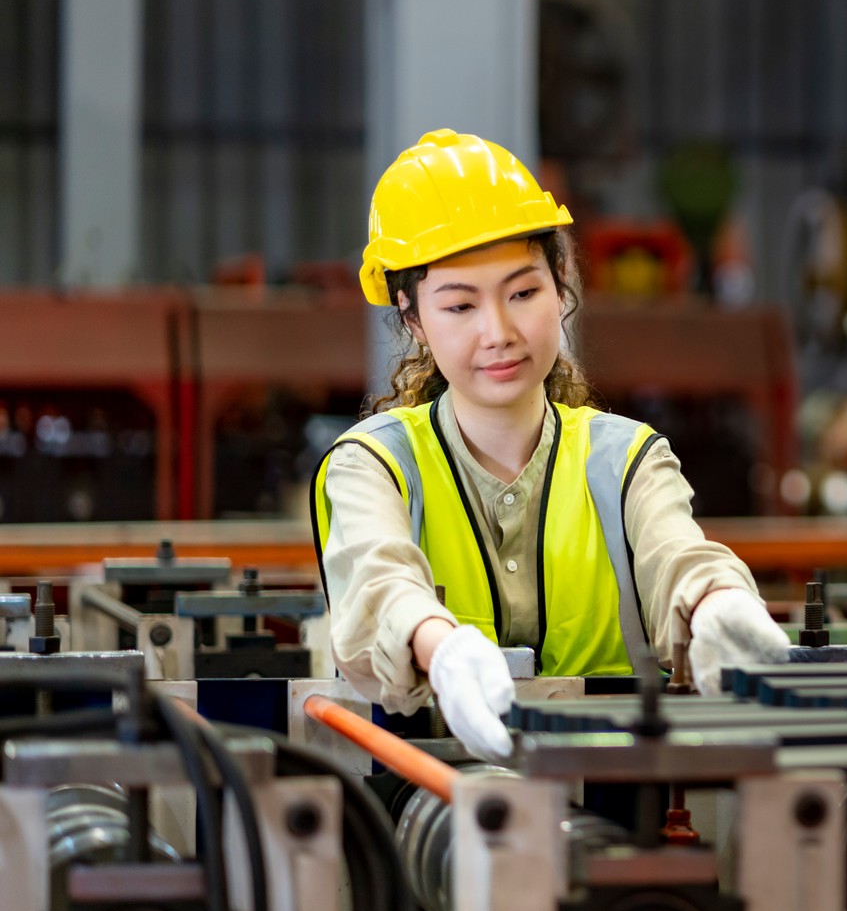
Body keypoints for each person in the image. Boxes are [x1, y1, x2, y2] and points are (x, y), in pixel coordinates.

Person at [311, 129, 792, 757]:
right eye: (460, 307)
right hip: (422, 788)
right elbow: (380, 586)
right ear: (412, 318)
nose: (499, 332)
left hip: (621, 799)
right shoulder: (374, 465)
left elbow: (676, 554)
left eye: (523, 293)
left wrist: (721, 607)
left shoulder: (626, 460)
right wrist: (440, 646)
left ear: (561, 283)